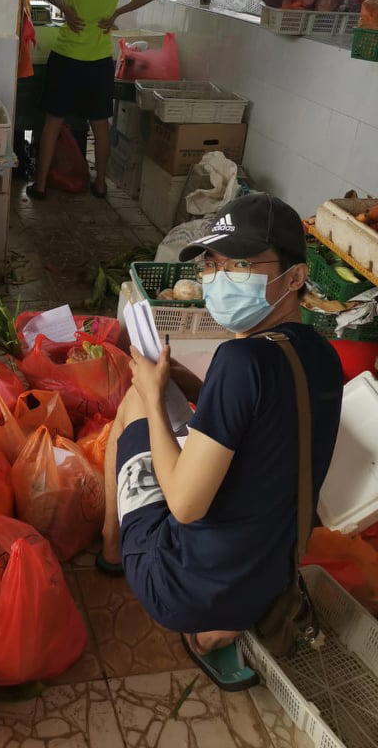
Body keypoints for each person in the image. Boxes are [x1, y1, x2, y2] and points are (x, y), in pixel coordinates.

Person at [99, 193, 343, 689]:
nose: (219, 277)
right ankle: (224, 625)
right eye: (212, 265)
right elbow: (261, 426)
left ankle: (113, 548)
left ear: (294, 278)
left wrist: (149, 396)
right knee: (165, 410)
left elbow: (186, 507)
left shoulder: (240, 362)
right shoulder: (320, 354)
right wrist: (190, 386)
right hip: (268, 578)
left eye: (241, 263)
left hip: (184, 589)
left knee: (131, 411)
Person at [27, 0, 154, 201]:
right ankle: (100, 185)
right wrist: (117, 13)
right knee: (99, 124)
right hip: (98, 61)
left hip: (67, 57)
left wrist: (67, 9)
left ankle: (39, 186)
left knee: (52, 121)